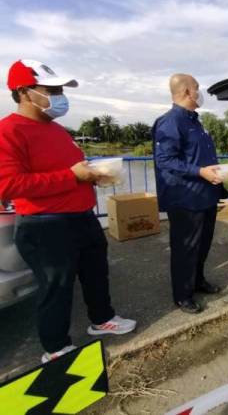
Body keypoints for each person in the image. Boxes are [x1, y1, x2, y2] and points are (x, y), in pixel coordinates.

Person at [0, 60, 136, 363]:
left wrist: (94, 175)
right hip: (44, 225)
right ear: (24, 92)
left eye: (61, 89)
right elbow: (8, 185)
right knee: (56, 288)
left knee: (96, 274)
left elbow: (73, 168)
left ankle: (102, 319)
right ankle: (56, 348)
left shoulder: (57, 130)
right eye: (53, 90)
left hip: (81, 217)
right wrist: (73, 176)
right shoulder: (8, 131)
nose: (61, 96)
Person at [153, 74, 222, 314]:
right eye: (197, 88)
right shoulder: (171, 122)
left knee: (203, 244)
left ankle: (198, 281)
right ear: (186, 92)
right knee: (185, 248)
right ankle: (182, 295)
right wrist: (199, 171)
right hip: (186, 198)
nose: (199, 92)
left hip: (206, 195)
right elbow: (165, 160)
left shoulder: (195, 121)